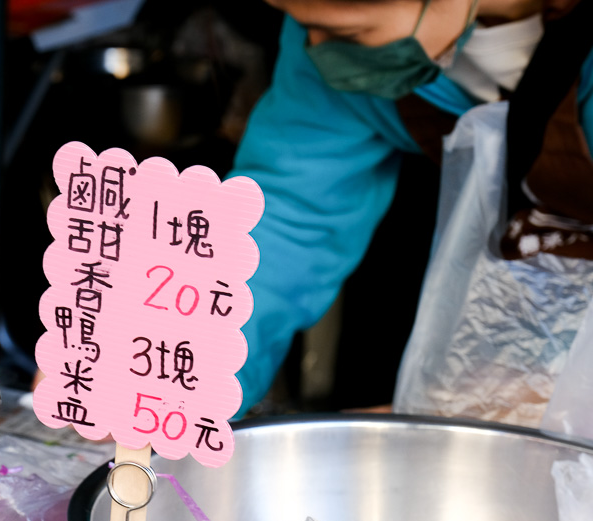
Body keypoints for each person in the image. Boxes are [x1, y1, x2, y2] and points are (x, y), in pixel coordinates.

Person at [229, 0, 593, 416]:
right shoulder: (325, 24)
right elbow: (288, 219)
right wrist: (185, 381)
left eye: (345, 34)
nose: (317, 47)